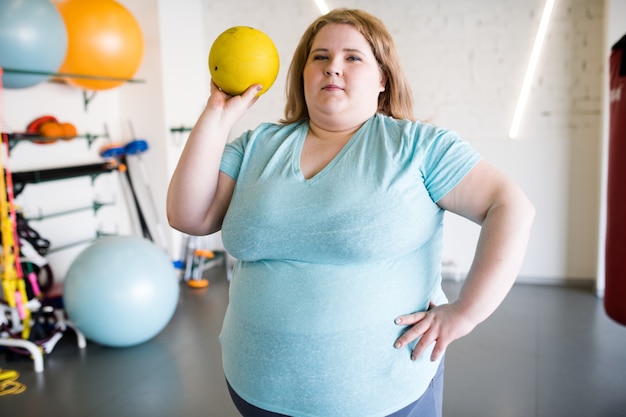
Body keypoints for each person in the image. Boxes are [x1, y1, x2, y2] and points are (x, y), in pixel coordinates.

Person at [167, 8, 535, 417]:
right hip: (257, 390)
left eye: (353, 57)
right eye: (319, 57)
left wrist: (465, 314)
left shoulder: (418, 146)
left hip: (386, 397)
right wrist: (218, 114)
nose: (333, 68)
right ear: (302, 74)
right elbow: (189, 216)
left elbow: (511, 205)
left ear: (382, 78)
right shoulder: (258, 145)